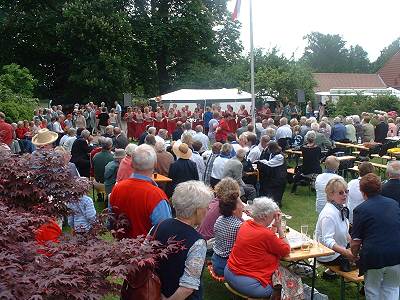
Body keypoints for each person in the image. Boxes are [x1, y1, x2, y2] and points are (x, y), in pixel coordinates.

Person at [150, 181, 212, 299]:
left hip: (154, 291)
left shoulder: (159, 225)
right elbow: (188, 287)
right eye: (207, 207)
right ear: (198, 211)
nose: (208, 210)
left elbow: (143, 257)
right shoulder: (197, 242)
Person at [225, 197, 291, 298]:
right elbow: (286, 250)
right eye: (272, 215)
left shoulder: (245, 225)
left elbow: (266, 240)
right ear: (264, 216)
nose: (274, 217)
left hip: (230, 273)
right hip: (251, 284)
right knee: (288, 281)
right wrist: (279, 228)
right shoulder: (265, 234)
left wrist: (274, 226)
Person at [351, 173, 400, 300]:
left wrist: (354, 255)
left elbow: (355, 242)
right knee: (392, 288)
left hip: (375, 255)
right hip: (397, 253)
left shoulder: (360, 209)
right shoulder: (393, 204)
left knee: (373, 290)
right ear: (380, 188)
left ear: (362, 191)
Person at [110, 144, 172, 238]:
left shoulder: (117, 188)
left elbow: (111, 222)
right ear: (155, 165)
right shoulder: (156, 195)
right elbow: (164, 232)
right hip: (147, 250)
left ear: (131, 164)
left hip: (121, 248)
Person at [315, 178, 355, 273]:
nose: (345, 195)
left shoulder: (341, 207)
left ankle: (329, 274)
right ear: (331, 195)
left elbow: (345, 232)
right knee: (366, 259)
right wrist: (346, 252)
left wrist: (353, 245)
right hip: (327, 255)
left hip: (339, 250)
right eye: (341, 193)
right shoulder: (329, 214)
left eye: (346, 191)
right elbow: (327, 241)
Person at [212, 178, 244, 276]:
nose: (243, 205)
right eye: (240, 203)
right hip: (227, 266)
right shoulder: (239, 226)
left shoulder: (220, 219)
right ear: (233, 210)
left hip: (216, 261)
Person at [258, 141, 287, 207]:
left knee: (276, 194)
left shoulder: (280, 156)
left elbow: (270, 163)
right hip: (274, 176)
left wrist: (260, 161)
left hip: (280, 178)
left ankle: (276, 203)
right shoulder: (273, 154)